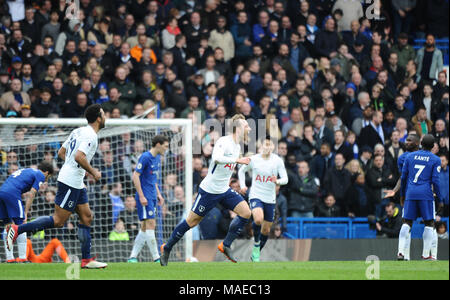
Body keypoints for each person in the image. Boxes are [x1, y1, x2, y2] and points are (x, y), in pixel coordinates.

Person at [6, 104, 107, 269]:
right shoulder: (91, 136)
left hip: (76, 181)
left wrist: (74, 168)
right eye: (104, 114)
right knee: (59, 221)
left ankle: (86, 260)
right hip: (70, 181)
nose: (106, 118)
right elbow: (79, 156)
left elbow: (61, 152)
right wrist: (93, 172)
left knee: (87, 216)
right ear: (98, 118)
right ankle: (18, 230)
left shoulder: (78, 131)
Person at [160, 114, 252, 266]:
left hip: (224, 190)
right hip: (209, 191)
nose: (249, 128)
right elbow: (216, 158)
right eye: (246, 125)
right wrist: (237, 160)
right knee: (191, 222)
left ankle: (225, 245)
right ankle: (167, 247)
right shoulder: (224, 141)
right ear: (238, 128)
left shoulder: (237, 146)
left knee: (246, 212)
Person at [238, 138, 288, 262]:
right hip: (256, 194)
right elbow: (241, 170)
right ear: (260, 147)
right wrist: (243, 185)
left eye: (269, 145)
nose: (267, 148)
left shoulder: (277, 161)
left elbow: (285, 178)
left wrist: (277, 181)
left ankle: (256, 251)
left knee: (266, 229)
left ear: (272, 147)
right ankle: (256, 243)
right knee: (258, 219)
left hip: (270, 198)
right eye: (265, 145)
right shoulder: (254, 159)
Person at [398, 135, 443, 261]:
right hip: (426, 194)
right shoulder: (435, 159)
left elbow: (403, 178)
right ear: (433, 146)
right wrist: (439, 199)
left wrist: (402, 195)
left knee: (407, 222)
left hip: (411, 193)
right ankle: (425, 255)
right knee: (429, 223)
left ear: (421, 143)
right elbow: (435, 181)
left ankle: (400, 252)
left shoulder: (410, 157)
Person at [0, 161, 54, 263]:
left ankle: (10, 259)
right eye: (49, 177)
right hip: (12, 193)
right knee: (21, 224)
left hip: (2, 192)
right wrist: (25, 212)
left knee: (8, 225)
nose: (47, 180)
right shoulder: (40, 175)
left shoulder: (28, 170)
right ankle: (23, 257)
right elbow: (32, 193)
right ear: (47, 173)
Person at [128, 135, 168, 263]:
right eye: (165, 146)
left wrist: (159, 194)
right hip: (145, 196)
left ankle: (133, 257)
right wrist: (141, 196)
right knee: (151, 224)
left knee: (145, 227)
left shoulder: (157, 158)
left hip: (152, 195)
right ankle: (156, 257)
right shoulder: (145, 157)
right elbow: (135, 176)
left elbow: (153, 179)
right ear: (158, 144)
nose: (166, 149)